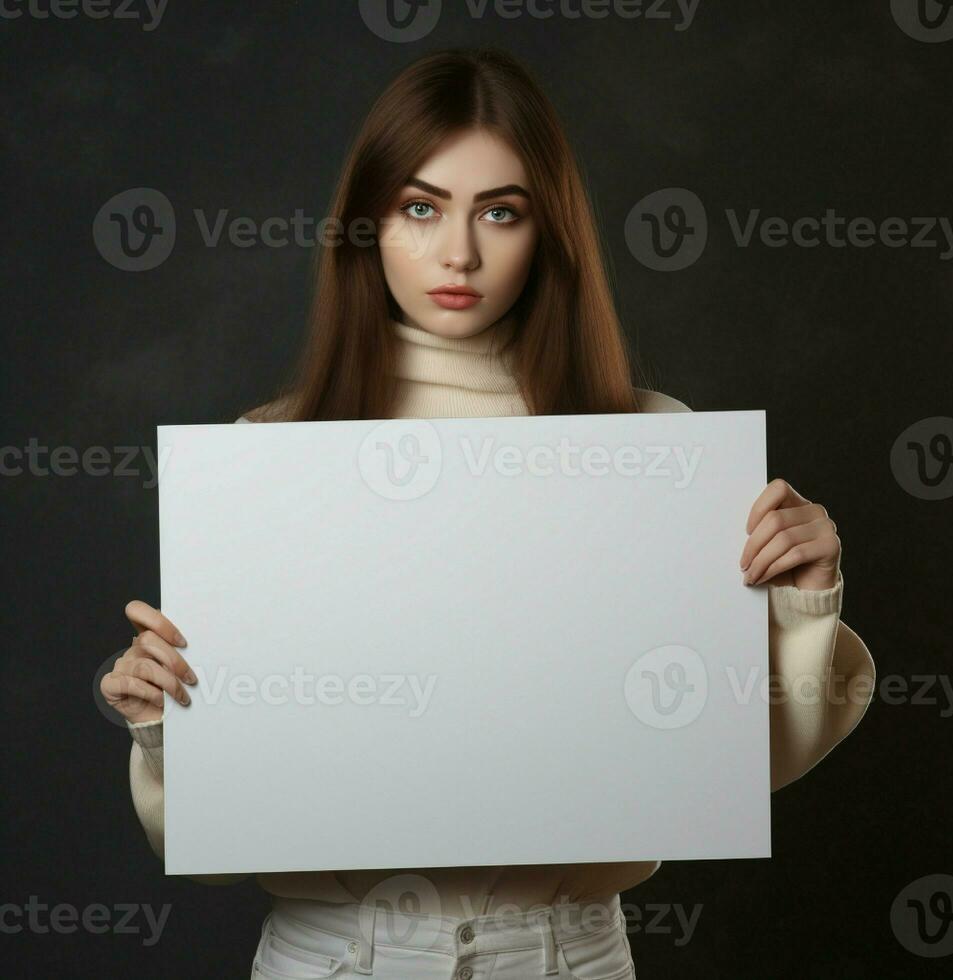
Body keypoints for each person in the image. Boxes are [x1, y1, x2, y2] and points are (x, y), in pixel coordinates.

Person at [101, 47, 875, 980]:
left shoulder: (655, 452)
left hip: (565, 956)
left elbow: (734, 768)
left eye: (499, 212)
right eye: (420, 208)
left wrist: (803, 603)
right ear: (366, 226)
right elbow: (213, 838)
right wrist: (166, 722)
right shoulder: (265, 457)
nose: (457, 253)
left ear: (548, 230)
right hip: (338, 956)